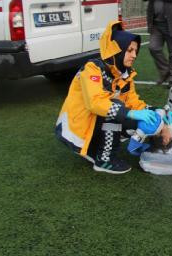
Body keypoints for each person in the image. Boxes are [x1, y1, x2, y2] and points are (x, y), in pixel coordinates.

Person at [55, 20, 161, 174]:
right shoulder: (92, 69)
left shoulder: (124, 74)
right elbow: (95, 103)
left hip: (94, 123)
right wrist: (129, 113)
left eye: (135, 51)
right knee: (116, 107)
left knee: (139, 118)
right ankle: (104, 160)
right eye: (130, 50)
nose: (134, 55)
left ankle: (97, 148)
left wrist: (154, 111)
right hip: (77, 129)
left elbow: (132, 101)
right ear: (116, 50)